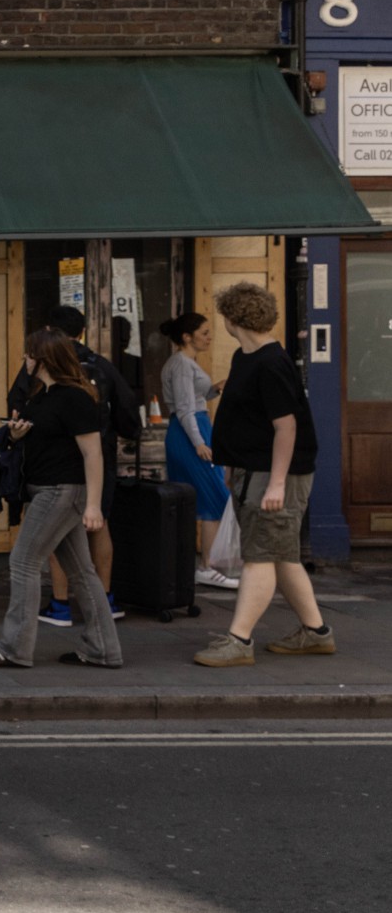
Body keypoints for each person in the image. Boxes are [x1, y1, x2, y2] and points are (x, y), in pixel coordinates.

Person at [194, 283, 332, 667]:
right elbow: (247, 421)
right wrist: (232, 466)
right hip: (253, 470)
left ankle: (239, 640)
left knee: (260, 557)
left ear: (234, 319)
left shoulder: (271, 363)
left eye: (223, 315)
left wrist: (275, 483)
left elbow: (285, 427)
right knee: (282, 555)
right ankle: (316, 632)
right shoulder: (247, 357)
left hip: (275, 475)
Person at [0, 329, 124, 669]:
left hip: (62, 491)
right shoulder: (42, 395)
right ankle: (103, 649)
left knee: (23, 561)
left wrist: (94, 506)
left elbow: (93, 455)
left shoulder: (75, 398)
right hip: (49, 490)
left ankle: (15, 647)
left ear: (42, 359)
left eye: (28, 355)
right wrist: (15, 434)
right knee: (82, 572)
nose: (24, 360)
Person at [7, 305, 140, 627]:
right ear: (81, 332)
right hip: (98, 463)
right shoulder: (102, 368)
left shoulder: (51, 380)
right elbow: (129, 417)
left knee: (39, 549)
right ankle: (105, 603)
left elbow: (16, 407)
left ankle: (60, 604)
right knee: (97, 527)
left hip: (59, 474)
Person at [158, 312, 237, 590]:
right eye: (204, 332)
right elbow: (184, 408)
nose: (209, 337)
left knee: (204, 496)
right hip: (191, 432)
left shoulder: (186, 363)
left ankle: (204, 564)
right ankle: (207, 566)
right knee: (214, 495)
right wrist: (199, 442)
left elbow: (194, 399)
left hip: (195, 429)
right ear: (186, 337)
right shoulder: (181, 364)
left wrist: (215, 389)